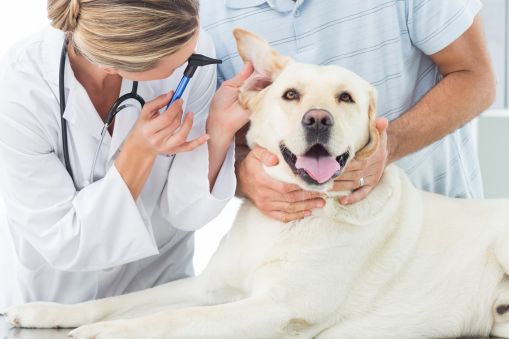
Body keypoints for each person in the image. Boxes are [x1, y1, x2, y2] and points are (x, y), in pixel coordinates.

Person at [0, 0, 252, 309]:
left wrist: (220, 128)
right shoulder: (19, 95)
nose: (189, 63)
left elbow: (187, 213)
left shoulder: (189, 44)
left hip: (161, 290)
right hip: (60, 301)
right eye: (174, 67)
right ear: (113, 66)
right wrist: (139, 151)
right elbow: (67, 242)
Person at [200, 0, 496, 222]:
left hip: (433, 229)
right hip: (296, 258)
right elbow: (220, 135)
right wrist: (241, 176)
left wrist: (387, 145)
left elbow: (476, 79)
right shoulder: (205, 16)